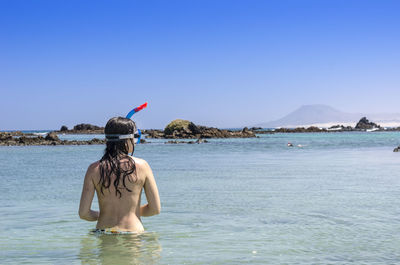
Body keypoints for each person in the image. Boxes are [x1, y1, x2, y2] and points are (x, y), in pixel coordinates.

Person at [79, 117, 161, 233]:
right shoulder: (143, 166)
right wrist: (131, 212)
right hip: (133, 232)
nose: (135, 142)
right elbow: (155, 209)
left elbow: (83, 213)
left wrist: (104, 214)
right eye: (135, 137)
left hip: (104, 231)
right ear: (127, 140)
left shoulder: (93, 169)